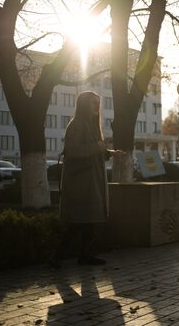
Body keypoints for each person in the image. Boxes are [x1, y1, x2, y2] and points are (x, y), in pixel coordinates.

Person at [50, 91, 124, 268]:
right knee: (78, 221)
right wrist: (97, 146)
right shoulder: (76, 125)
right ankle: (56, 257)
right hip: (81, 182)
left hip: (91, 180)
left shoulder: (92, 126)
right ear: (84, 105)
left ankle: (84, 255)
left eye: (98, 103)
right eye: (93, 103)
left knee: (90, 219)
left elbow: (94, 151)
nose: (97, 106)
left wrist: (110, 153)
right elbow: (74, 151)